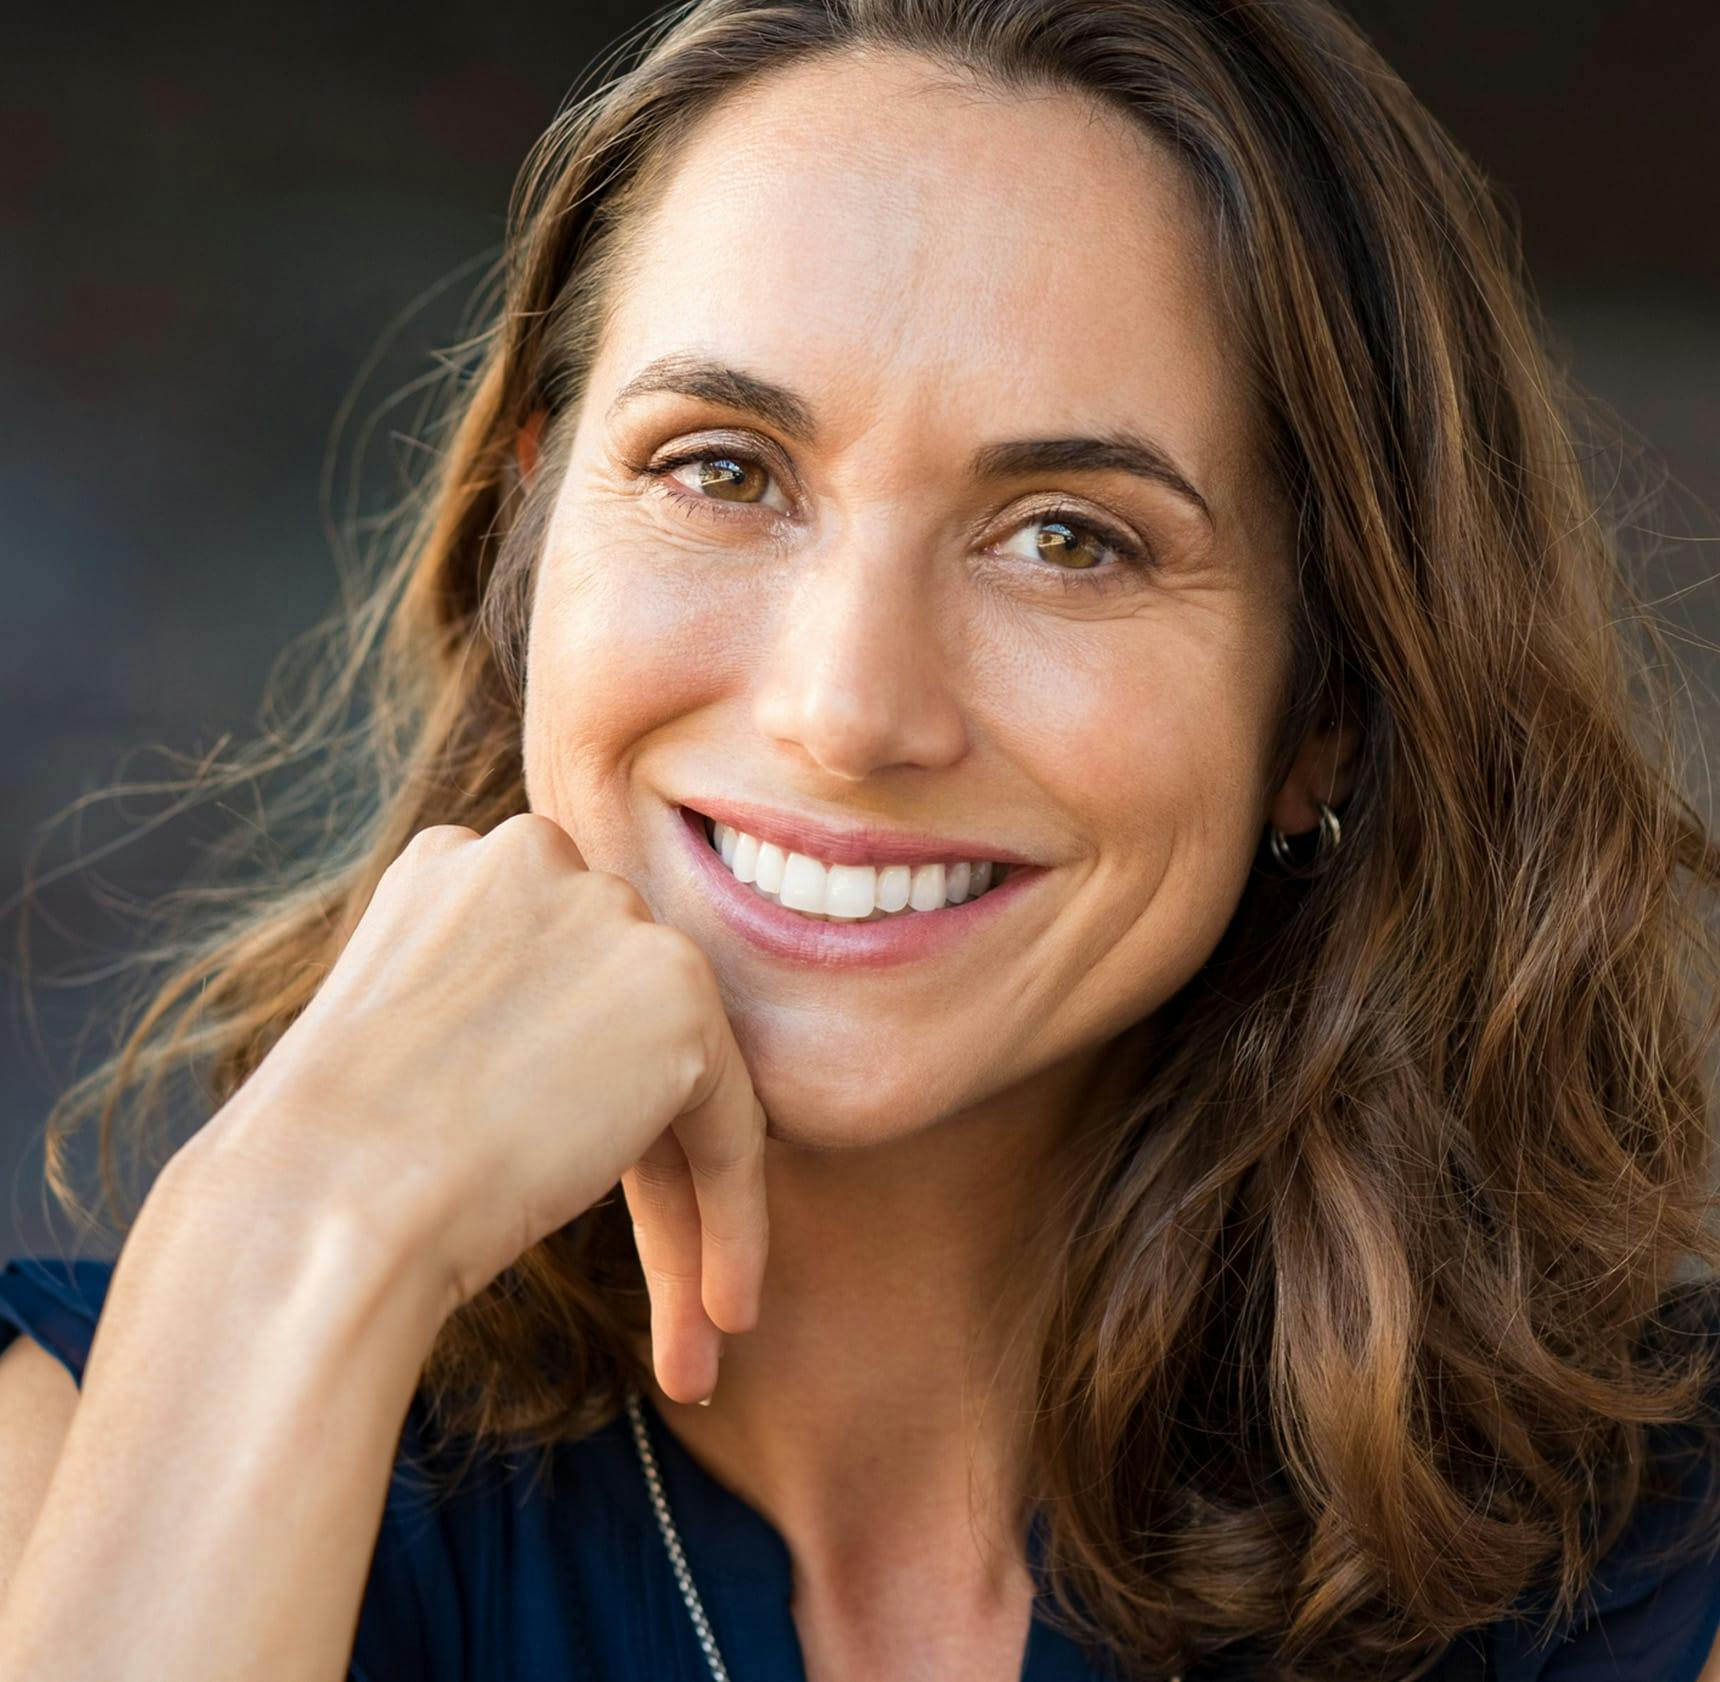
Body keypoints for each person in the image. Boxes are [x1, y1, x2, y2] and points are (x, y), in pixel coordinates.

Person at [2, 0, 1719, 1677]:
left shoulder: (1659, 1560)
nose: (848, 708)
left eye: (1067, 537)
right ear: (532, 534)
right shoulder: (60, 1458)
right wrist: (297, 1224)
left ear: (1322, 705)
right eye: (724, 470)